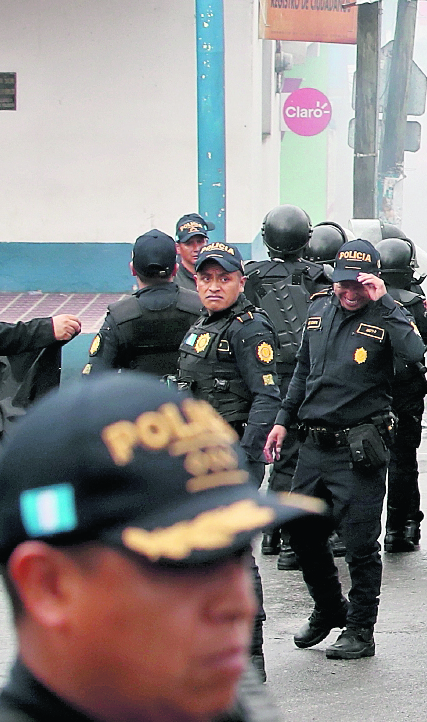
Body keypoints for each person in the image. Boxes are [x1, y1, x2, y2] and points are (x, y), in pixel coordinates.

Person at [0, 374, 323, 722]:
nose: (239, 605)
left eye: (238, 555)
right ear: (49, 586)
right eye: (187, 564)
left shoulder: (229, 701)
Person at [262, 240, 427, 660]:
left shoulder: (387, 316)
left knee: (359, 545)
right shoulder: (319, 310)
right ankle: (330, 608)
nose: (349, 293)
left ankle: (360, 630)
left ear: (371, 280)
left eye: (357, 285)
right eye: (342, 284)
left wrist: (387, 303)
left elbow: (415, 357)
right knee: (299, 530)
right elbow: (302, 369)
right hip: (313, 444)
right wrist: (283, 419)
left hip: (359, 447)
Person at [175, 240, 284, 679]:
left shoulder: (249, 329)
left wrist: (243, 459)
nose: (214, 286)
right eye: (206, 278)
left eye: (224, 278)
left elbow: (267, 396)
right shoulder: (202, 324)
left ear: (241, 281)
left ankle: (252, 655)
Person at [242, 205, 330, 563]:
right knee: (296, 455)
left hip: (264, 376)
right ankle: (291, 540)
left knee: (274, 452)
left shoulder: (250, 276)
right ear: (306, 238)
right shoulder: (320, 277)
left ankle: (272, 534)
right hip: (306, 376)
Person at [376, 237, 427, 554]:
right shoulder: (413, 303)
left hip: (369, 390)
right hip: (405, 392)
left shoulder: (365, 299)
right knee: (404, 462)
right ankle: (400, 528)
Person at [84, 230, 203, 379]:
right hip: (191, 401)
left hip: (137, 400)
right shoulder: (200, 308)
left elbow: (95, 378)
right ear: (175, 269)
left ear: (133, 269)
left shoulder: (119, 316)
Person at [171, 214, 212, 293]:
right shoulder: (172, 278)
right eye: (189, 243)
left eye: (200, 242)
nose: (196, 249)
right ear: (177, 248)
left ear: (206, 242)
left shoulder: (219, 272)